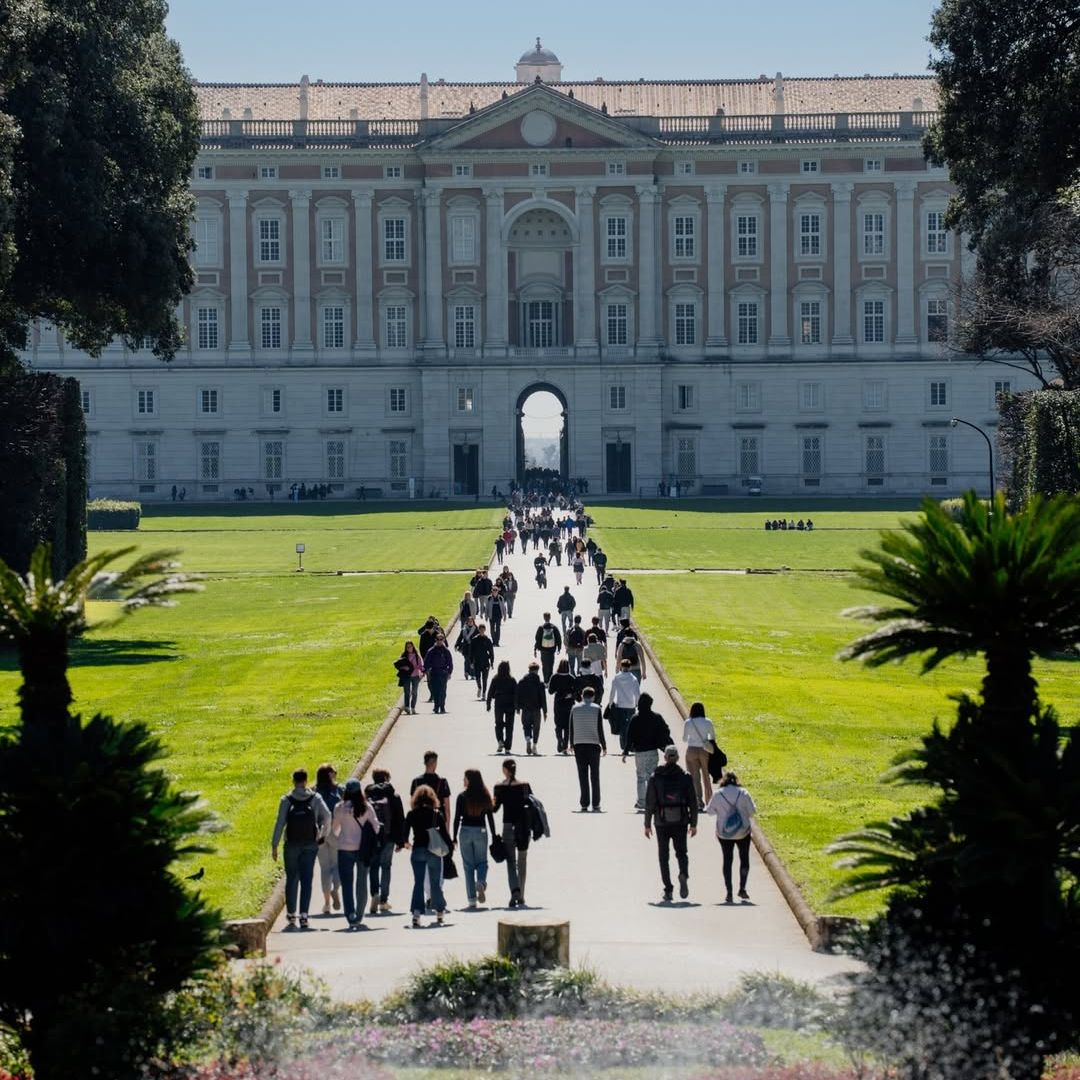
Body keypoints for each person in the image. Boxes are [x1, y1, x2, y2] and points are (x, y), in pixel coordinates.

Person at [271, 768, 331, 930]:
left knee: (292, 878)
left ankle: (291, 914)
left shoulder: (286, 800)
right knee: (307, 879)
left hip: (291, 844)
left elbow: (280, 823)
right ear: (306, 780)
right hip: (310, 843)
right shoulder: (315, 798)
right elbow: (327, 816)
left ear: (293, 780)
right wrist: (323, 834)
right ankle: (304, 915)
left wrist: (274, 844)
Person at [645, 746, 698, 901]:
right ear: (678, 758)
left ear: (665, 758)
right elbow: (693, 802)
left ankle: (668, 889)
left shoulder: (656, 777)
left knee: (663, 856)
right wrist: (693, 823)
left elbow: (650, 802)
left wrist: (647, 824)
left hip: (661, 821)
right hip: (681, 820)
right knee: (681, 852)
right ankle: (683, 873)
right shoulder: (685, 777)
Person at [333, 778, 380, 929]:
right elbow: (376, 827)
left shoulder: (340, 807)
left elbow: (334, 829)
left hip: (345, 849)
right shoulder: (367, 807)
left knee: (347, 883)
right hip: (363, 849)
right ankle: (359, 914)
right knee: (361, 882)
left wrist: (340, 836)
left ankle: (350, 914)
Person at [403, 784, 453, 927]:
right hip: (434, 851)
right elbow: (444, 835)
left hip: (418, 850)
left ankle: (416, 914)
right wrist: (450, 848)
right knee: (435, 883)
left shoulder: (411, 814)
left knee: (418, 882)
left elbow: (404, 835)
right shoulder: (436, 814)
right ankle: (439, 911)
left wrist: (406, 844)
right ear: (432, 798)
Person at [706, 772, 758, 904]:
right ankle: (742, 888)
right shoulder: (743, 793)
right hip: (743, 831)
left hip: (724, 833)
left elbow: (710, 812)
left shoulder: (718, 794)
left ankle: (729, 892)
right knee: (744, 859)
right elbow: (752, 812)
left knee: (727, 860)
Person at [493, 758, 533, 908]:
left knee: (511, 861)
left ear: (505, 770)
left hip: (508, 826)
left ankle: (514, 892)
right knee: (522, 861)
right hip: (523, 827)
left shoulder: (499, 787)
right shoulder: (524, 785)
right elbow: (531, 804)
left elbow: (495, 808)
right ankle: (521, 895)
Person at [454, 769, 497, 909]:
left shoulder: (462, 796)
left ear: (470, 780)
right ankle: (481, 882)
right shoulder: (485, 795)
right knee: (482, 862)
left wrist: (454, 837)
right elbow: (490, 817)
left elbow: (456, 818)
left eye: (465, 778)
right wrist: (494, 835)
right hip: (481, 831)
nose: (463, 780)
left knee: (468, 866)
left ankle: (472, 900)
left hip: (465, 831)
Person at [365, 768, 406, 914]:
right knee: (386, 867)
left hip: (373, 836)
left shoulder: (368, 794)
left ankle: (374, 893)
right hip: (389, 836)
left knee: (374, 866)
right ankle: (384, 900)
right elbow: (401, 819)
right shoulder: (393, 795)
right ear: (387, 778)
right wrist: (401, 841)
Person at [622, 693, 672, 811]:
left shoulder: (635, 718)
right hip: (652, 751)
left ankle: (641, 802)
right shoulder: (656, 717)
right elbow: (666, 730)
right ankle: (653, 800)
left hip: (639, 752)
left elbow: (629, 737)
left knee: (640, 777)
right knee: (652, 777)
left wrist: (625, 752)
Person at [569, 686, 606, 811]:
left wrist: (571, 744)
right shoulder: (597, 709)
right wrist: (604, 745)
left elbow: (571, 727)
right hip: (594, 744)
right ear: (593, 696)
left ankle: (584, 802)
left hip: (579, 744)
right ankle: (596, 803)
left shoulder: (574, 708)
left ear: (582, 696)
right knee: (595, 775)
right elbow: (600, 729)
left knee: (582, 774)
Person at [314, 763, 343, 913]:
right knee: (337, 864)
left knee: (324, 867)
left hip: (320, 833)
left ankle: (326, 903)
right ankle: (335, 888)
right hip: (336, 830)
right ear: (330, 775)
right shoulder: (339, 790)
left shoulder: (314, 792)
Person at [683, 701, 717, 810]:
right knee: (706, 776)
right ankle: (710, 801)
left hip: (692, 749)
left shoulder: (688, 722)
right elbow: (712, 737)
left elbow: (684, 738)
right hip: (704, 750)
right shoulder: (708, 722)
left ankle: (698, 801)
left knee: (694, 777)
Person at [607, 657, 642, 754]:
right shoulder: (633, 679)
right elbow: (637, 694)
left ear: (621, 667)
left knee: (622, 727)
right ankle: (630, 745)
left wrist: (610, 704)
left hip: (620, 705)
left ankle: (623, 746)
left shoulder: (617, 678)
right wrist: (637, 704)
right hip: (631, 705)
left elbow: (612, 692)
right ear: (630, 667)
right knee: (630, 726)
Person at [515, 659, 548, 756]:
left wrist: (517, 707)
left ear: (529, 670)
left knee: (526, 726)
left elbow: (517, 695)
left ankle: (528, 739)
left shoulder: (522, 682)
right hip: (536, 709)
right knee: (536, 728)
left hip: (525, 709)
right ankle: (534, 746)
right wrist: (545, 711)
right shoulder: (540, 683)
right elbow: (543, 698)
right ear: (537, 670)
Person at [486, 660, 518, 754]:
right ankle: (507, 747)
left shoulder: (495, 679)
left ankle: (500, 740)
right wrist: (517, 706)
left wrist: (488, 704)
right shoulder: (512, 680)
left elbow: (490, 692)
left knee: (498, 723)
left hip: (499, 703)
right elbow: (516, 694)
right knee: (509, 726)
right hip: (510, 704)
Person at [547, 659, 577, 755]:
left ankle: (559, 739)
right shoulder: (571, 678)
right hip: (569, 704)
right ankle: (565, 746)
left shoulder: (554, 677)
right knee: (568, 726)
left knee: (558, 725)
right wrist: (570, 695)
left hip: (558, 704)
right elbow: (576, 692)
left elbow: (550, 691)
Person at [424, 632, 454, 714]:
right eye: (438, 639)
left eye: (441, 639)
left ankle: (442, 706)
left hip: (443, 673)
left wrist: (449, 672)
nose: (439, 641)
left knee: (443, 691)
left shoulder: (446, 651)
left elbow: (450, 663)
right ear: (435, 640)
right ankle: (436, 706)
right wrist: (426, 671)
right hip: (434, 673)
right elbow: (426, 662)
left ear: (443, 640)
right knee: (435, 691)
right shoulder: (431, 651)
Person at [396, 641, 424, 714]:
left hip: (415, 676)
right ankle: (407, 707)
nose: (409, 648)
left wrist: (422, 671)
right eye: (407, 647)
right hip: (407, 676)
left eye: (410, 646)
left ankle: (413, 707)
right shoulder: (404, 656)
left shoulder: (417, 656)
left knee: (414, 692)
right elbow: (398, 665)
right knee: (407, 692)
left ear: (413, 647)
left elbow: (420, 666)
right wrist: (404, 667)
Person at [534, 613, 562, 681]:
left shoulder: (541, 628)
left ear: (544, 618)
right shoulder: (554, 627)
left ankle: (545, 680)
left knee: (544, 665)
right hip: (551, 650)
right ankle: (550, 680)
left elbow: (537, 639)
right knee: (550, 665)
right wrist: (559, 648)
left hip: (543, 650)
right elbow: (558, 638)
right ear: (550, 617)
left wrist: (535, 649)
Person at [469, 623, 495, 698]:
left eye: (483, 630)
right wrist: (471, 662)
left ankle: (484, 693)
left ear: (485, 630)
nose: (482, 631)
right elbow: (471, 652)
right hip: (477, 662)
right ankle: (479, 687)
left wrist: (492, 662)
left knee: (485, 679)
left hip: (485, 662)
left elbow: (491, 652)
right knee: (477, 677)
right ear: (479, 630)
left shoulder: (488, 640)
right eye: (480, 630)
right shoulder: (474, 640)